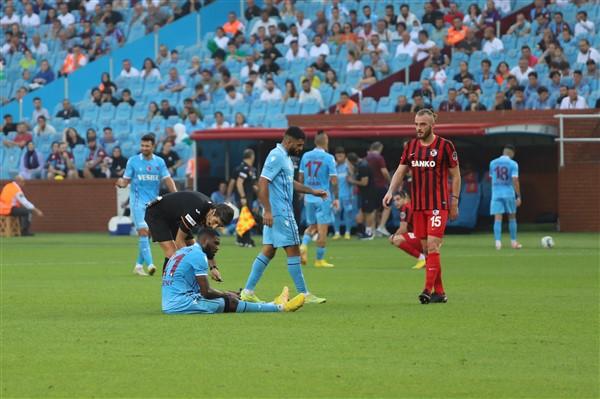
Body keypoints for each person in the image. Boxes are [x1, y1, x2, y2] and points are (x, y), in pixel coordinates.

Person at [240, 127, 328, 305]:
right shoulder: (277, 156)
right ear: (288, 141)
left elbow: (290, 182)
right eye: (299, 145)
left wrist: (312, 191)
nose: (300, 148)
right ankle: (304, 293)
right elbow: (263, 182)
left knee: (269, 250)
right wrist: (268, 210)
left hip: (277, 213)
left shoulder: (285, 158)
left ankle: (248, 291)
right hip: (280, 213)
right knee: (294, 249)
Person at [383, 109, 461, 304]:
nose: (419, 128)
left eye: (423, 124)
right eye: (416, 124)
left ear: (432, 125)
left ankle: (427, 289)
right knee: (428, 250)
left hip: (438, 205)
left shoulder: (445, 146)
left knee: (434, 245)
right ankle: (440, 292)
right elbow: (400, 172)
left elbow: (456, 175)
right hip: (418, 206)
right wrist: (390, 191)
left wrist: (454, 201)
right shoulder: (410, 146)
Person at [162, 228, 305, 314]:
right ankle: (280, 308)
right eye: (215, 243)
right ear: (205, 241)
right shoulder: (199, 255)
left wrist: (227, 292)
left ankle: (272, 304)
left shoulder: (186, 251)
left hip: (173, 301)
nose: (218, 247)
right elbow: (206, 292)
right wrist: (226, 295)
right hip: (180, 304)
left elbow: (199, 288)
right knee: (230, 302)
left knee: (229, 295)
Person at [115, 134, 177, 276]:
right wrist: (120, 183)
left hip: (154, 203)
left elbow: (168, 179)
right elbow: (125, 181)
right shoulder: (133, 161)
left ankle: (138, 265)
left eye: (147, 146)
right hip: (137, 202)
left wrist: (176, 195)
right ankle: (150, 265)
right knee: (143, 232)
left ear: (153, 146)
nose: (144, 148)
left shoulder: (159, 162)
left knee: (148, 234)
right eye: (142, 145)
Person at [143, 190, 235, 281]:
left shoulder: (211, 213)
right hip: (157, 214)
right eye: (216, 222)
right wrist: (196, 267)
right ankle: (168, 287)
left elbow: (206, 246)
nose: (214, 226)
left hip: (174, 217)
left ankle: (186, 285)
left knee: (193, 247)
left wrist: (213, 267)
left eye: (219, 225)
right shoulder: (197, 210)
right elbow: (180, 241)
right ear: (213, 212)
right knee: (172, 252)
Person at [298, 132, 338, 268]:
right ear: (325, 141)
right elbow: (333, 180)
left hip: (308, 197)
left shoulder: (305, 156)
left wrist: (302, 193)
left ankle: (303, 245)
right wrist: (336, 198)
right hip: (323, 197)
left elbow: (301, 176)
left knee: (312, 226)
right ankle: (319, 260)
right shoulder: (329, 158)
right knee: (322, 229)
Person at [489, 144, 522, 250]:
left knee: (497, 218)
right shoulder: (513, 164)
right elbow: (515, 180)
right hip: (509, 193)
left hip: (496, 194)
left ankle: (498, 243)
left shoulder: (493, 163)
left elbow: (491, 178)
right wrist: (519, 195)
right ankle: (513, 242)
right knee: (512, 217)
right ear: (511, 153)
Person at [389, 191, 426, 270]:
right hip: (426, 238)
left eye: (398, 199)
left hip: (421, 237)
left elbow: (403, 229)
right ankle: (425, 257)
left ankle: (422, 258)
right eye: (394, 201)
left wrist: (393, 237)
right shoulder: (410, 206)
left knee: (396, 239)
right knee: (399, 238)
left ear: (404, 199)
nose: (396, 203)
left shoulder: (405, 208)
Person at [232, 149, 258, 247]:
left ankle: (241, 239)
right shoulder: (244, 169)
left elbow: (254, 185)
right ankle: (246, 240)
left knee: (245, 218)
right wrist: (242, 196)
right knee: (246, 218)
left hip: (249, 197)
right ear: (252, 156)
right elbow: (239, 183)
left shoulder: (250, 169)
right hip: (245, 198)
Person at [332, 147, 353, 240]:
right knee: (336, 213)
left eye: (341, 154)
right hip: (335, 195)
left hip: (347, 195)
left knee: (347, 213)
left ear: (345, 156)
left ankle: (347, 232)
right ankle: (337, 232)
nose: (339, 156)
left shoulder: (347, 166)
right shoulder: (333, 166)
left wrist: (348, 163)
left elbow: (352, 175)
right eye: (338, 155)